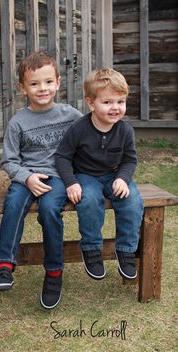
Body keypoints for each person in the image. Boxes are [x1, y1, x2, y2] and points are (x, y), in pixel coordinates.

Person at [0, 52, 82, 309]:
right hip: (27, 177)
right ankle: (4, 265)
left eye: (48, 82)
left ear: (58, 82)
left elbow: (87, 140)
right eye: (34, 83)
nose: (42, 88)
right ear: (22, 88)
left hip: (58, 176)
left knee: (50, 209)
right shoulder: (18, 122)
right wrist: (26, 178)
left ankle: (54, 271)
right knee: (14, 204)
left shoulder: (71, 115)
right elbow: (9, 160)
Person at [55, 68, 144, 281]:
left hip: (114, 176)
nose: (115, 108)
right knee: (89, 200)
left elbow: (129, 159)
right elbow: (62, 157)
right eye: (107, 102)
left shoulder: (125, 131)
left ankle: (126, 250)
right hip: (86, 176)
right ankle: (92, 249)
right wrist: (71, 182)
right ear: (91, 103)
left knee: (131, 199)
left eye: (120, 102)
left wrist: (122, 178)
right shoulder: (79, 128)